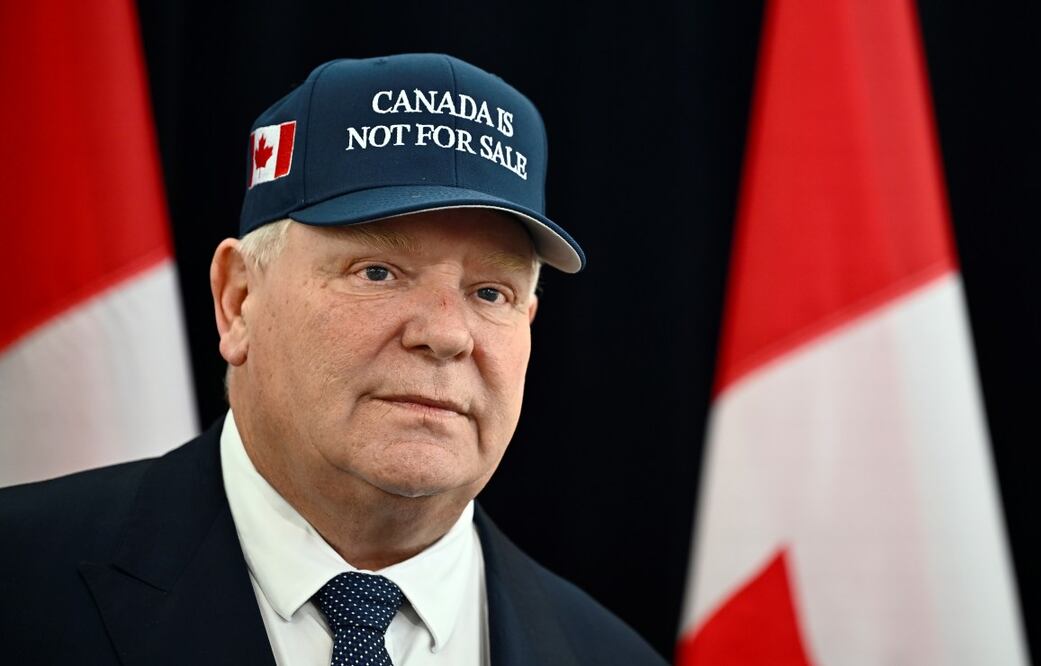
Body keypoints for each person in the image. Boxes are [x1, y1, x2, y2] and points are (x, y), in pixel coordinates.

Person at [0, 54, 667, 665]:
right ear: (238, 302)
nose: (445, 334)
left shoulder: (611, 656)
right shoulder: (20, 585)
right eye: (377, 272)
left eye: (489, 291)